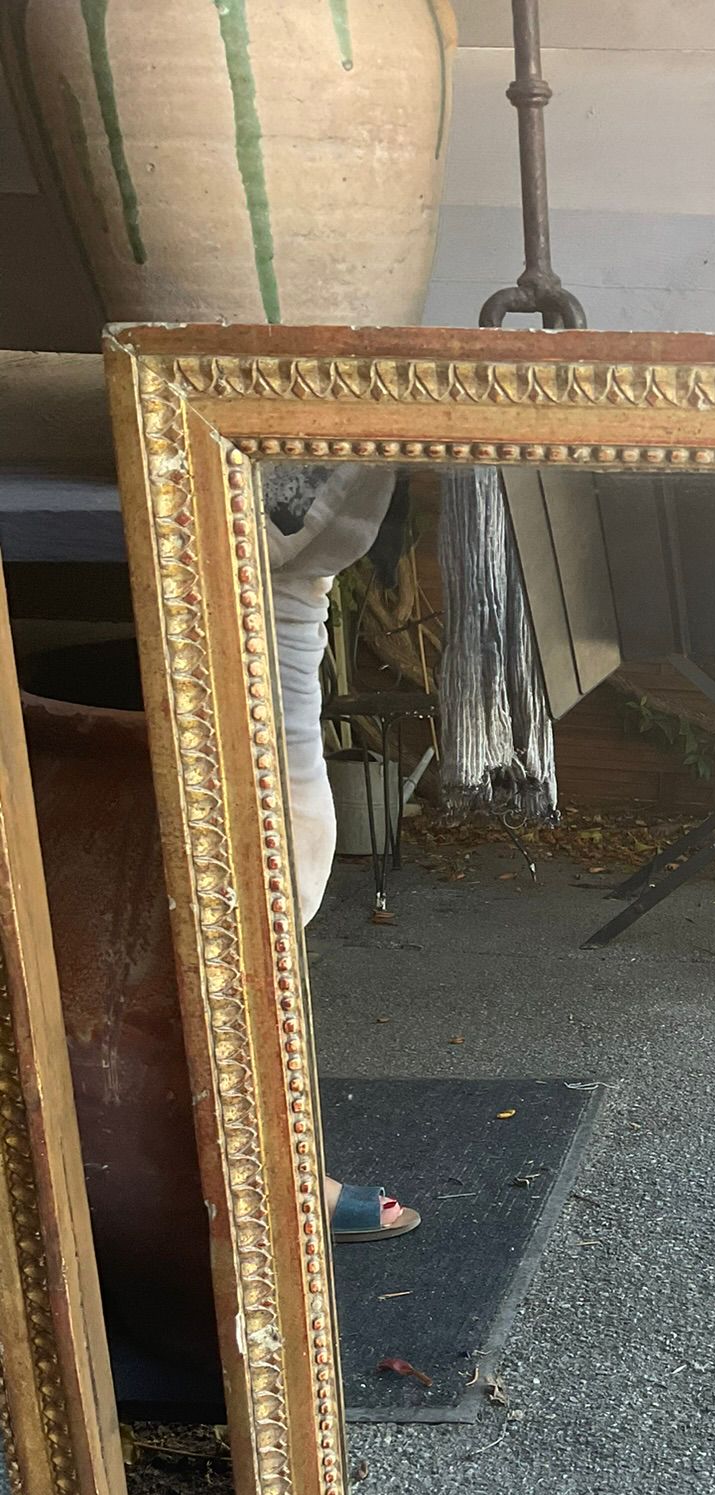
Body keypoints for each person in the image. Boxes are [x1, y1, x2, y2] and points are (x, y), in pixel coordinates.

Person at [266, 465, 419, 1241]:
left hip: (289, 596)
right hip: (187, 587)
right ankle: (256, 1162)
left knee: (296, 859)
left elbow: (299, 581)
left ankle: (265, 1157)